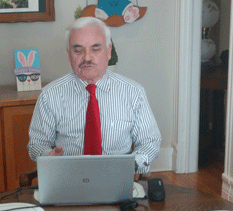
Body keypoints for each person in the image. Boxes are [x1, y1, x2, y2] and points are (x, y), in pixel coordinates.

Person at [27, 17, 161, 174]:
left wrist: (132, 165)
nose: (87, 58)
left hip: (116, 177)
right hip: (68, 178)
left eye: (95, 49)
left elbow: (149, 141)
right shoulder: (49, 95)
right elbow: (37, 143)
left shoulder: (133, 92)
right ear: (69, 54)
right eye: (78, 50)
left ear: (108, 52)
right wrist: (47, 156)